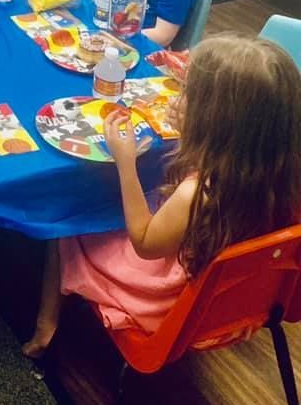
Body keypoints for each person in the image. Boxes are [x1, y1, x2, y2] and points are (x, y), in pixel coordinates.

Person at [23, 35, 301, 359]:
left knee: (71, 219)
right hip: (233, 298)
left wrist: (126, 163)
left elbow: (144, 244)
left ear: (217, 122)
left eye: (188, 96)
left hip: (167, 303)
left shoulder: (197, 193)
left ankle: (46, 327)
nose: (179, 100)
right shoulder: (274, 170)